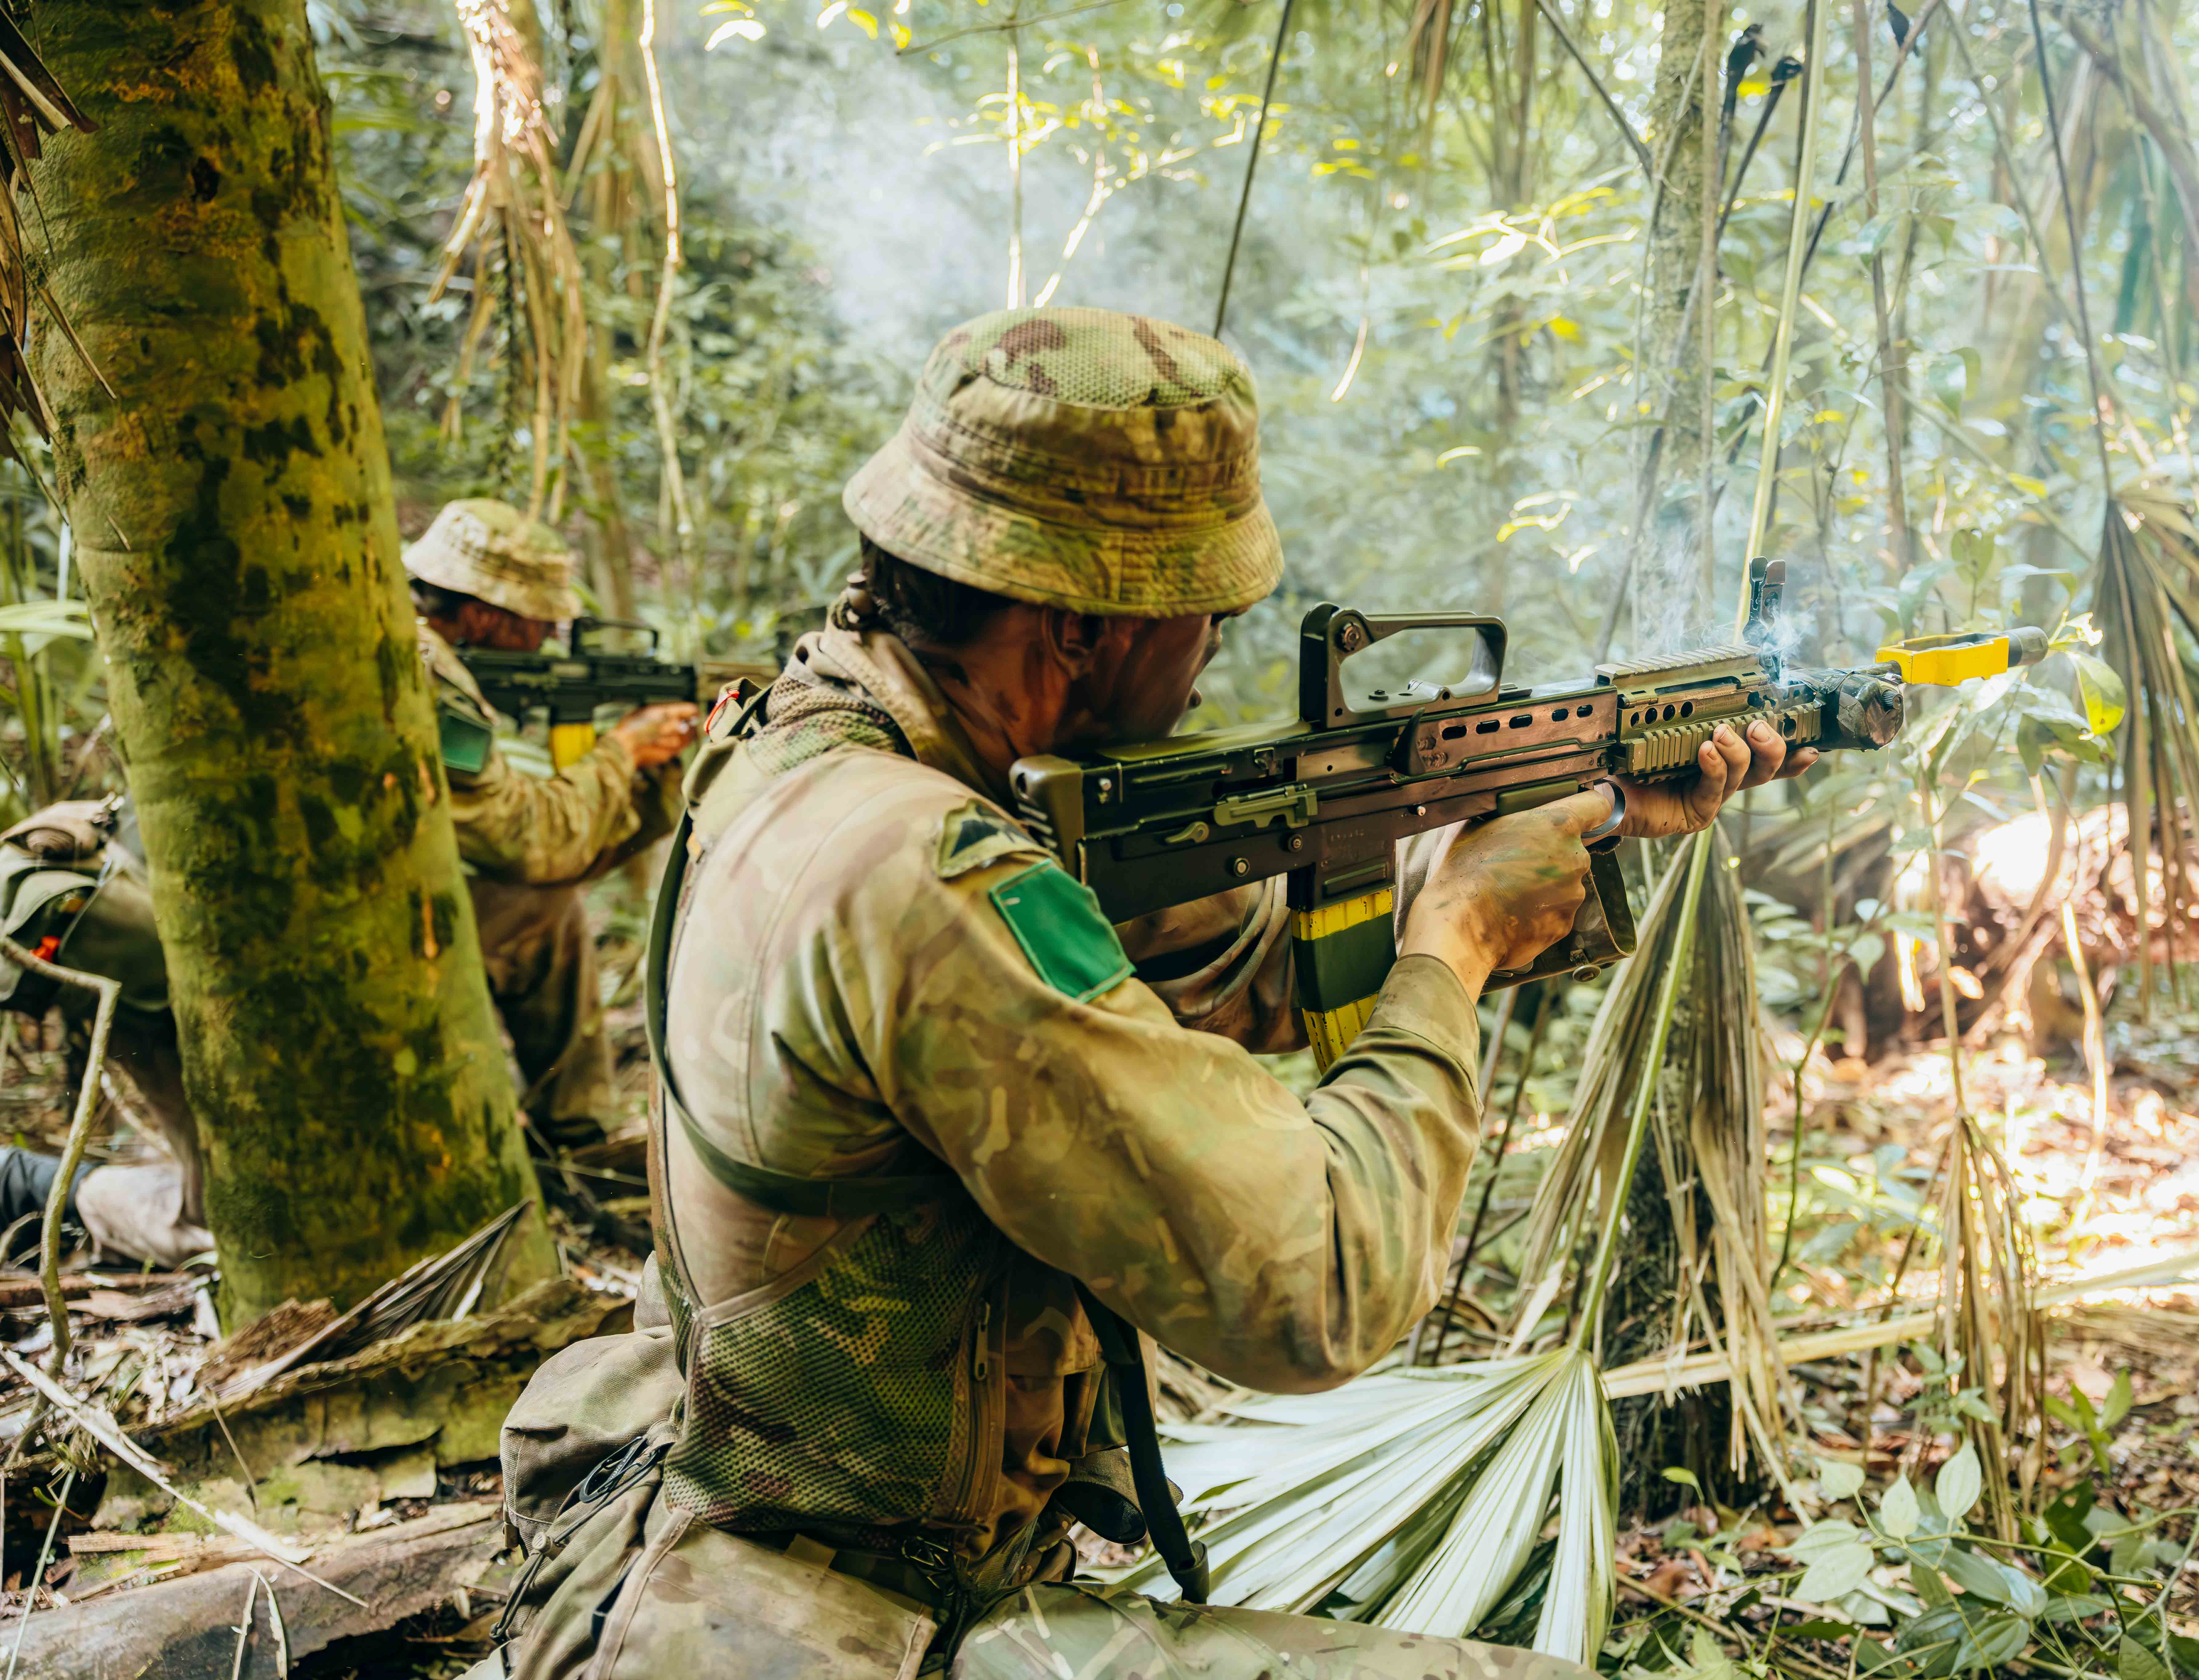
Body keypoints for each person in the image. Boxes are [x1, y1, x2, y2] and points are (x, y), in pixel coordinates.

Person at [486, 307, 1811, 1680]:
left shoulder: (834, 741)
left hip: (766, 1526)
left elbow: (1237, 966)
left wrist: (1570, 817)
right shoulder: (928, 875)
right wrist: (1456, 949)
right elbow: (1317, 1292)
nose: (1209, 667)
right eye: (1206, 622)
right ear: (1079, 627)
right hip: (821, 1625)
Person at [402, 501, 701, 1150]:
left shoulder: (410, 645)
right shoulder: (425, 671)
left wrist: (645, 770)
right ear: (484, 613)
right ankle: (579, 1139)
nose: (547, 637)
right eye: (538, 619)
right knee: (549, 910)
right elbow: (524, 840)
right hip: (367, 919)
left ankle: (575, 1134)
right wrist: (623, 751)